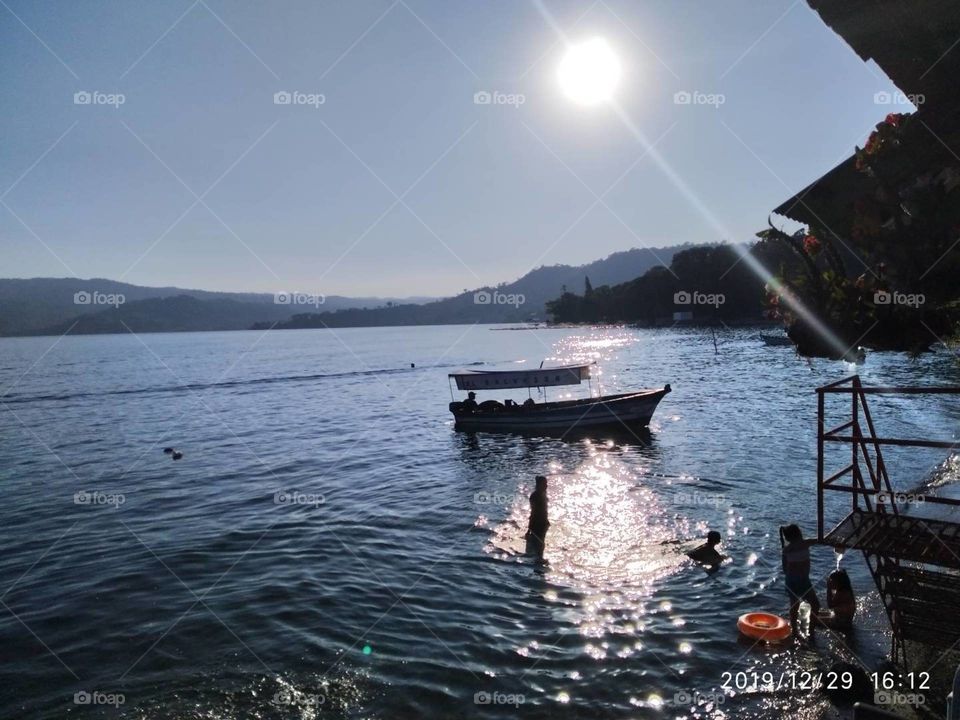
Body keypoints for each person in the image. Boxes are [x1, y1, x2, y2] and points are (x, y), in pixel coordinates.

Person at [780, 524, 822, 627]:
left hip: (791, 580)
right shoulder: (805, 543)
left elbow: (785, 569)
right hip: (803, 580)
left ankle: (794, 629)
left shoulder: (786, 550)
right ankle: (811, 628)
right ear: (799, 533)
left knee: (794, 605)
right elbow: (820, 540)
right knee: (815, 604)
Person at [525, 475, 550, 560]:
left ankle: (539, 562)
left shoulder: (543, 495)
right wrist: (529, 529)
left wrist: (547, 522)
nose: (547, 486)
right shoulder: (535, 496)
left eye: (546, 484)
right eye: (545, 484)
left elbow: (544, 512)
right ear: (539, 485)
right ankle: (537, 565)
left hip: (543, 525)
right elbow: (534, 513)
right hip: (537, 526)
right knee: (538, 547)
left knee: (541, 546)